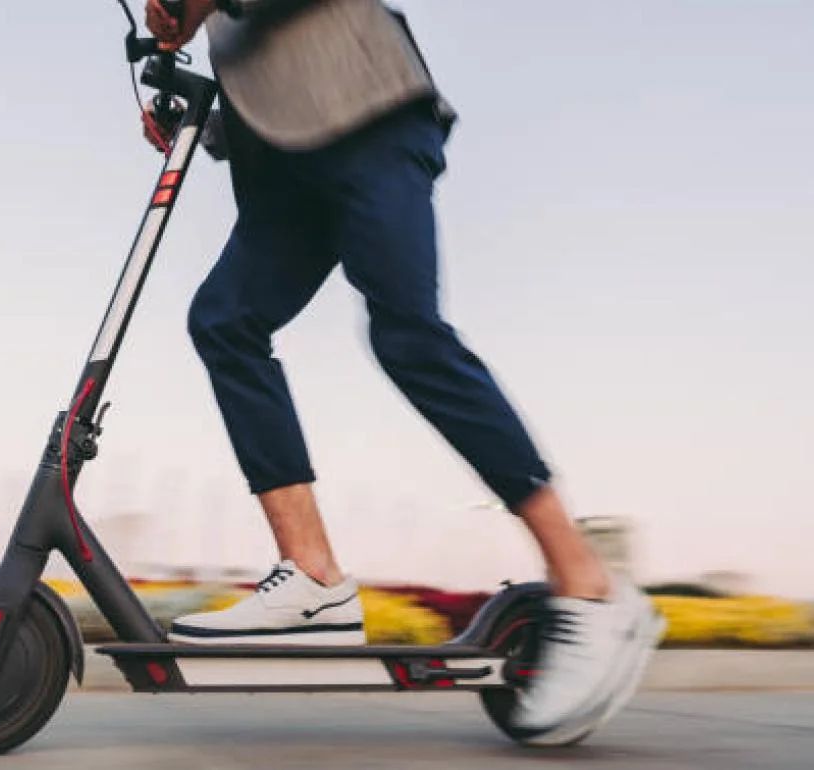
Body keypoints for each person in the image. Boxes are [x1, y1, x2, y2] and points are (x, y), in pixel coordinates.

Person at [142, 0, 662, 731]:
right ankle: (314, 577)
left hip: (372, 117)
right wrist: (206, 123)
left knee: (408, 335)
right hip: (287, 168)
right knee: (225, 321)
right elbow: (276, 80)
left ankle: (588, 581)